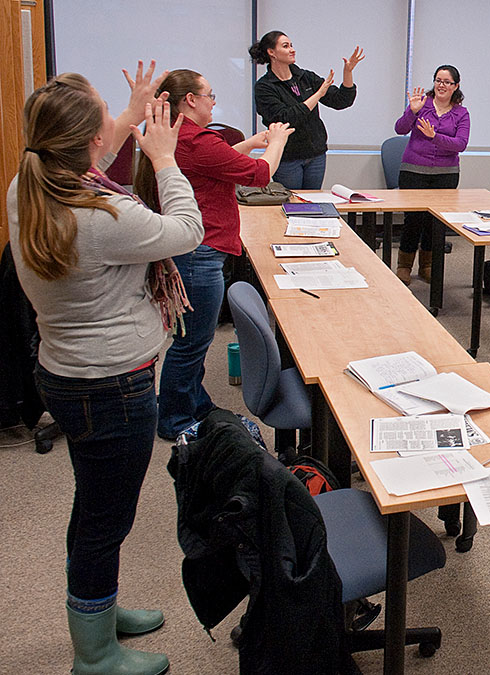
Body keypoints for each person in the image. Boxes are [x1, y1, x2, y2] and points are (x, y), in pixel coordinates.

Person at [10, 69, 203, 675]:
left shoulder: (30, 183)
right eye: (106, 122)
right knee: (105, 519)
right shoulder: (105, 218)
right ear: (92, 145)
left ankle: (96, 607)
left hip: (64, 374)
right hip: (112, 387)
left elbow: (90, 146)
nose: (113, 129)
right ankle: (94, 654)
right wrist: (167, 162)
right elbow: (186, 232)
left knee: (92, 505)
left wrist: (126, 113)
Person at [132, 69, 294, 440]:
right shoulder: (196, 140)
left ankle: (194, 402)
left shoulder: (184, 138)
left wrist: (254, 140)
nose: (214, 101)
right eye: (210, 95)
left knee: (194, 340)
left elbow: (220, 162)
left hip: (194, 252)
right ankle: (174, 419)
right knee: (191, 345)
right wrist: (277, 141)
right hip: (199, 255)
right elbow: (259, 175)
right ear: (191, 100)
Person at [249, 31, 363, 189]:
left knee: (312, 204)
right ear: (271, 52)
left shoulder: (305, 77)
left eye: (291, 45)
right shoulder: (265, 86)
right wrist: (317, 95)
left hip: (315, 154)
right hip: (287, 157)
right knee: (291, 204)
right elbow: (285, 118)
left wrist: (347, 73)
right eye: (285, 46)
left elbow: (341, 101)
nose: (292, 49)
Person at [392, 65, 470, 284]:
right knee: (413, 220)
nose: (441, 85)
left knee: (435, 223)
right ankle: (404, 266)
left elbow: (460, 144)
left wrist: (434, 136)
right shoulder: (422, 104)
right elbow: (400, 129)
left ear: (456, 86)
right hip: (413, 171)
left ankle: (427, 265)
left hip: (445, 174)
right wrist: (412, 111)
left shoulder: (461, 113)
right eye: (438, 80)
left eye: (446, 82)